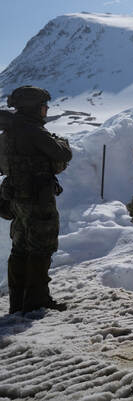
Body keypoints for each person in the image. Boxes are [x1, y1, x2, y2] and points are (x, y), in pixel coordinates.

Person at [1, 86, 72, 314]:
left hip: (17, 198)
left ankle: (18, 302)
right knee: (41, 246)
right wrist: (61, 142)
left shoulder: (9, 132)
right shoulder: (32, 130)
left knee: (20, 247)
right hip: (38, 198)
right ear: (34, 107)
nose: (46, 110)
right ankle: (37, 301)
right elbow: (62, 154)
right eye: (43, 106)